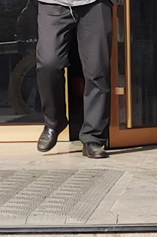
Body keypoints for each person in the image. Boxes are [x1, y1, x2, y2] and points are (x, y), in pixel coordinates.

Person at [35, 0, 113, 159]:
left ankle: (93, 137)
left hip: (95, 4)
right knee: (48, 64)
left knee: (97, 69)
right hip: (53, 4)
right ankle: (54, 122)